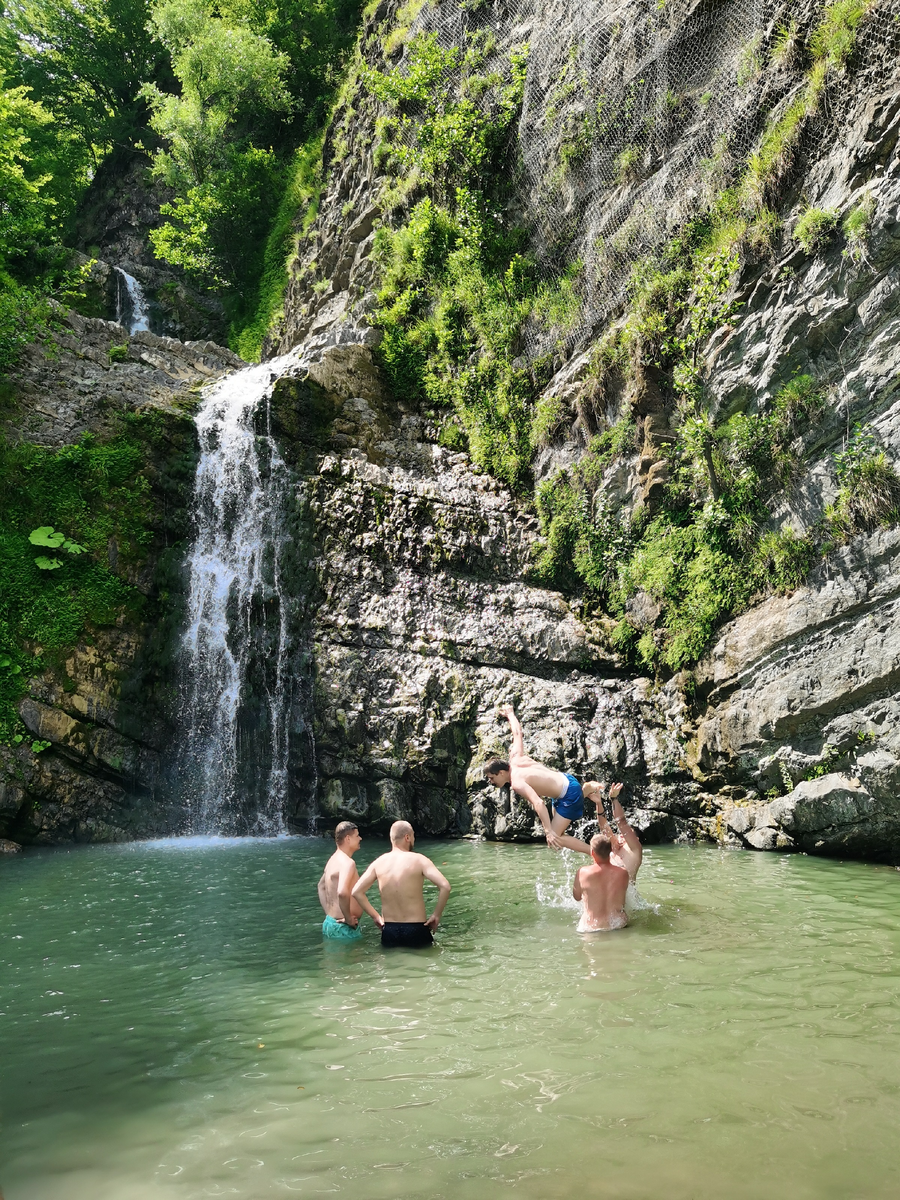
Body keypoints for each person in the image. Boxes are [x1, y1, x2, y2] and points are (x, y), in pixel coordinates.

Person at [483, 704, 612, 851]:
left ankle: (594, 854)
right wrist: (510, 714)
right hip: (565, 780)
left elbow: (538, 803)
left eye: (491, 778)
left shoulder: (517, 782)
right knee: (557, 837)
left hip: (567, 793)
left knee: (555, 839)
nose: (491, 782)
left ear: (500, 772)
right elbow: (517, 733)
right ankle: (584, 790)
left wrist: (548, 831)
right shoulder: (515, 758)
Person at [351, 820, 451, 948]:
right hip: (416, 929)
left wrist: (376, 917)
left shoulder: (379, 862)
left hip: (389, 930)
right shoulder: (419, 860)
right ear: (407, 837)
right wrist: (436, 915)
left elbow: (356, 892)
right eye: (413, 835)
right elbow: (445, 886)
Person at [573, 831, 630, 932]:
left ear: (592, 852)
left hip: (591, 927)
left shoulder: (582, 872)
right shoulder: (623, 872)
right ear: (611, 850)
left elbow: (577, 897)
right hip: (618, 924)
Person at [317, 820, 365, 940]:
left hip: (330, 923)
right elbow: (342, 892)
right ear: (348, 839)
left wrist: (329, 914)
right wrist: (348, 918)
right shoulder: (347, 863)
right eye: (357, 835)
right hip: (344, 928)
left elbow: (320, 886)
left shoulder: (332, 860)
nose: (360, 838)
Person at [596, 795, 643, 883]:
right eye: (620, 833)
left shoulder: (635, 850)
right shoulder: (614, 849)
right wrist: (598, 802)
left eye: (626, 835)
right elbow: (603, 827)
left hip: (625, 895)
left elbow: (622, 823)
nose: (622, 835)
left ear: (636, 839)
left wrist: (614, 799)